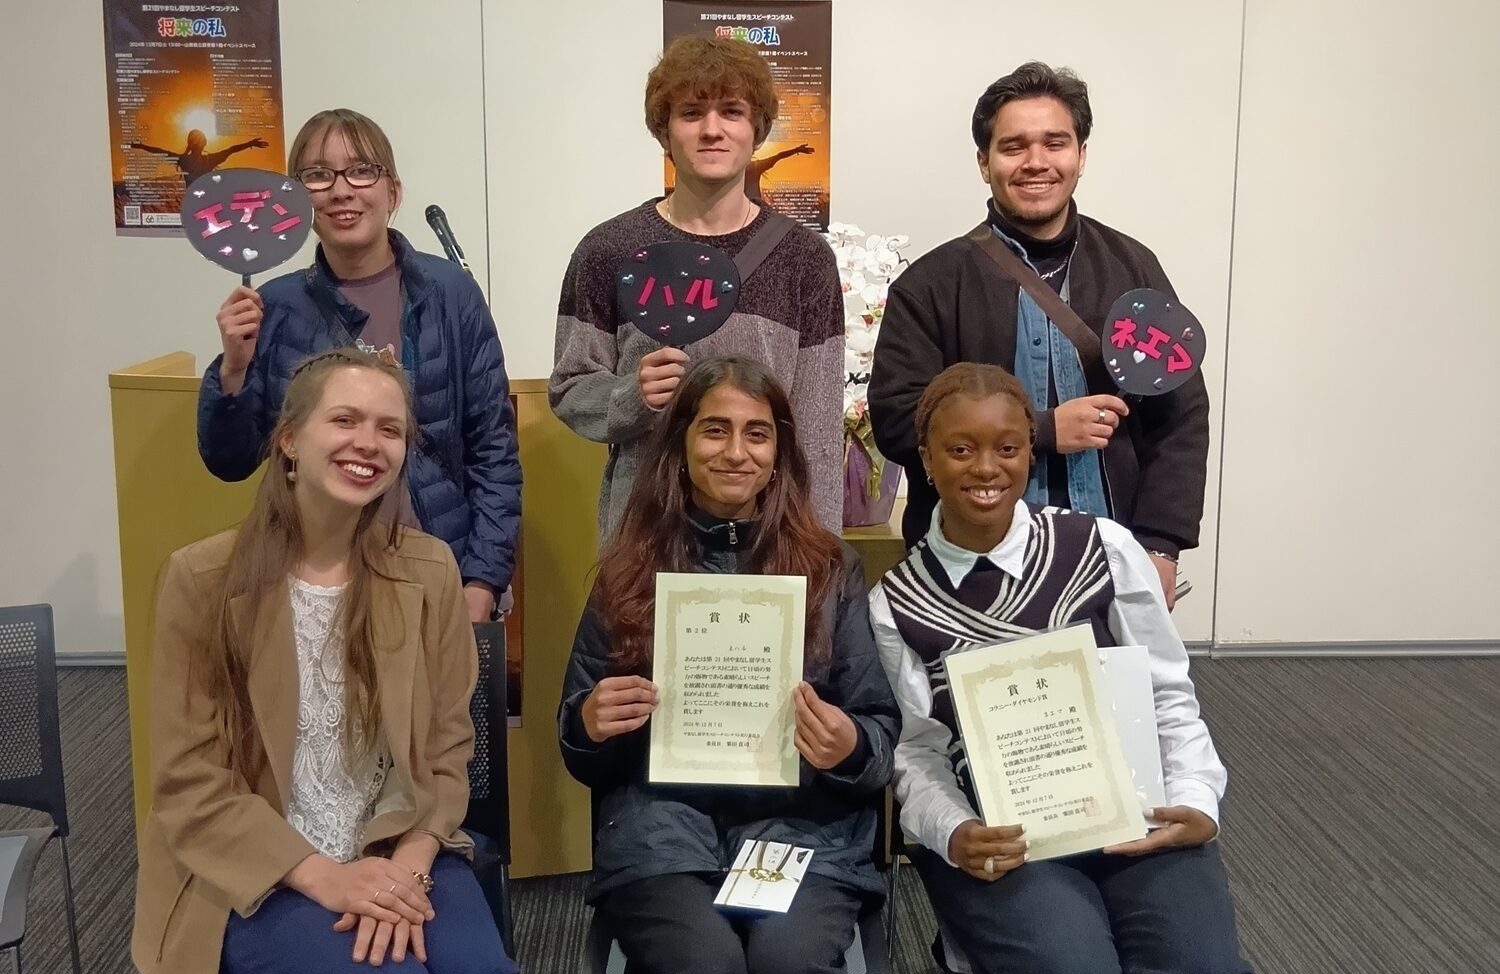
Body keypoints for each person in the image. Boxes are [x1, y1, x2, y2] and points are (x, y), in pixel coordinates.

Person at [133, 347, 520, 974]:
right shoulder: (202, 580)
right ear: (289, 440)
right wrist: (323, 876)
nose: (367, 443)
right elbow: (189, 782)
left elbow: (449, 746)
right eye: (344, 420)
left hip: (397, 838)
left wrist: (412, 867)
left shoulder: (429, 571)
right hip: (259, 863)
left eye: (389, 429)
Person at [871, 362, 1248, 974]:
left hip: (1137, 809)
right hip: (1005, 835)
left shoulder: (1102, 546)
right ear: (927, 462)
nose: (986, 468)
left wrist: (1198, 801)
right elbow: (915, 752)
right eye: (960, 450)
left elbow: (1167, 691)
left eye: (1008, 448)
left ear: (1028, 450)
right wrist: (955, 832)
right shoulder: (897, 602)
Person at [558, 358, 899, 974]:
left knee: (789, 968)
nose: (736, 452)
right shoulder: (628, 571)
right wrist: (591, 724)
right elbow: (577, 740)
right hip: (661, 834)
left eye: (758, 433)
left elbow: (878, 735)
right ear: (680, 445)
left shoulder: (831, 568)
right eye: (715, 430)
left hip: (800, 832)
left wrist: (847, 746)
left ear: (780, 452)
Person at [869, 61, 1209, 607]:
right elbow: (895, 418)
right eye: (1013, 146)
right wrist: (1042, 430)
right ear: (984, 162)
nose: (1036, 163)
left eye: (1055, 143)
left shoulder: (1132, 267)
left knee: (1122, 691)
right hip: (971, 564)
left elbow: (1181, 416)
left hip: (1113, 556)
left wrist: (1161, 548)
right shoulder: (931, 284)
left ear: (1080, 156)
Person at [198, 108, 520, 621]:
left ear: (392, 192)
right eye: (318, 175)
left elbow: (494, 450)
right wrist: (233, 371)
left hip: (435, 566)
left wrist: (482, 580)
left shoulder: (450, 295)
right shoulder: (275, 306)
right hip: (309, 575)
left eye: (361, 171)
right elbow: (230, 461)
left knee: (433, 704)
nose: (341, 190)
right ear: (296, 201)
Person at [550, 36, 844, 541]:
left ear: (758, 130)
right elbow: (570, 387)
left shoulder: (805, 260)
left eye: (731, 111)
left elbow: (816, 431)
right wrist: (630, 396)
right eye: (691, 113)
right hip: (642, 535)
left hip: (768, 537)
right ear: (664, 131)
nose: (712, 130)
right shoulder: (608, 249)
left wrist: (822, 556)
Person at [131, 129, 269, 183]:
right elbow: (231, 149)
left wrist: (141, 146)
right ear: (204, 143)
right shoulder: (209, 160)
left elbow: (159, 151)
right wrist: (250, 143)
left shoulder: (183, 160)